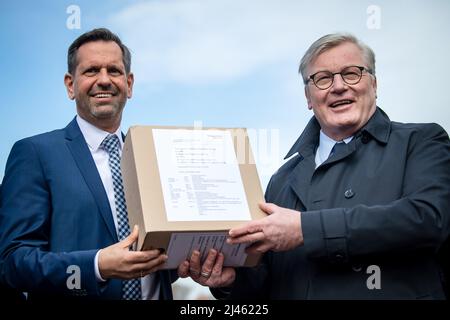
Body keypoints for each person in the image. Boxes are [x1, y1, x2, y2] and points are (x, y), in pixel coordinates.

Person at [178, 33, 450, 299]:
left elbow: (428, 219)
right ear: (308, 98)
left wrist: (305, 230)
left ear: (374, 85)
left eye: (352, 73)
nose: (339, 86)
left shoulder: (421, 141)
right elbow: (267, 281)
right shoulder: (281, 179)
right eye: (322, 79)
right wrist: (231, 282)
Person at [0, 28, 175, 300]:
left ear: (129, 84)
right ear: (70, 85)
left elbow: (160, 263)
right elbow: (13, 263)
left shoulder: (155, 160)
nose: (104, 80)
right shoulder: (34, 154)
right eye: (91, 70)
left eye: (114, 71)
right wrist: (95, 267)